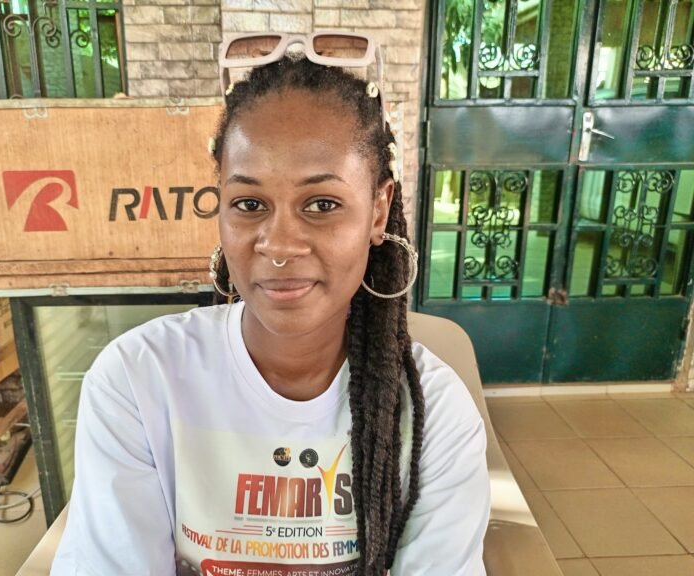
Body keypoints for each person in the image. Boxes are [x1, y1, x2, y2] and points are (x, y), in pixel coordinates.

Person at [51, 32, 490, 576]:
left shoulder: (437, 417)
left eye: (322, 204)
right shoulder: (139, 381)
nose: (279, 246)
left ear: (378, 212)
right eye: (249, 203)